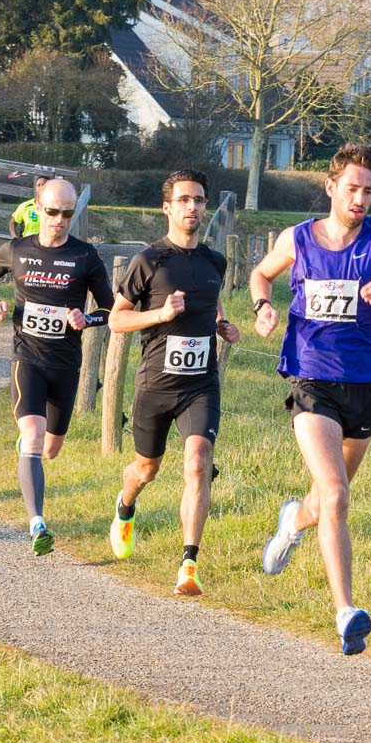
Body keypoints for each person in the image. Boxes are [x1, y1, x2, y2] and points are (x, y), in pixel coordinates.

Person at [250, 143, 371, 655]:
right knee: (336, 495)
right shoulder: (298, 238)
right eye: (351, 189)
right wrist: (262, 307)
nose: (360, 199)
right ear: (331, 187)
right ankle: (346, 612)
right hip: (311, 379)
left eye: (369, 191)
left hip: (365, 385)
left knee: (324, 500)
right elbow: (260, 274)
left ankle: (292, 521)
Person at [107, 169, 240, 597]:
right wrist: (160, 315)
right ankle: (126, 505)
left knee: (199, 461)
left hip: (200, 384)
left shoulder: (214, 261)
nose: (192, 208)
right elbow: (116, 319)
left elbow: (212, 297)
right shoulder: (148, 261)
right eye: (183, 200)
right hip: (155, 384)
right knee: (147, 469)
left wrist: (222, 324)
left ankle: (189, 564)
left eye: (199, 200)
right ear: (167, 207)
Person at [0, 179, 114, 555]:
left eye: (68, 213)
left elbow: (109, 308)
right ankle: (37, 524)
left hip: (66, 364)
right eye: (52, 212)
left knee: (50, 449)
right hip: (27, 358)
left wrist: (87, 320)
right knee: (34, 440)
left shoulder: (85, 256)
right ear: (37, 208)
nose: (59, 220)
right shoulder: (16, 250)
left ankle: (30, 450)